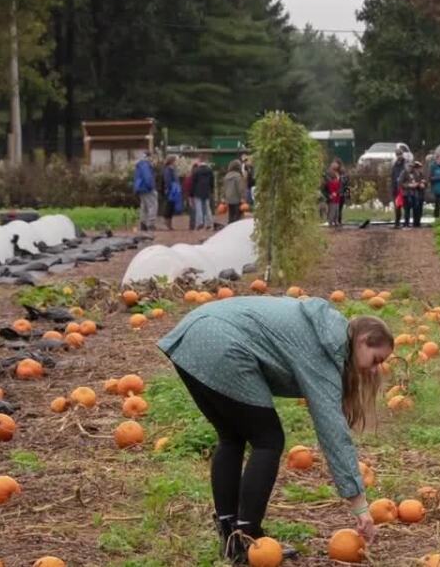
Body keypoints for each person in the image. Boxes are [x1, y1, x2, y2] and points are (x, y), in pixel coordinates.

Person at [156, 297, 390, 563]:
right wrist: (360, 506)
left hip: (193, 333)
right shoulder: (327, 346)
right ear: (364, 340)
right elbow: (333, 432)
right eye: (376, 359)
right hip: (221, 343)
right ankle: (248, 537)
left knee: (232, 436)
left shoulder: (324, 329)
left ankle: (230, 533)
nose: (374, 370)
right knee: (268, 439)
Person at [133, 152, 157, 231]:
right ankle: (151, 224)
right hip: (147, 188)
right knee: (152, 205)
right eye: (151, 157)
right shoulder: (145, 165)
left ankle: (143, 223)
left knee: (144, 207)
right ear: (148, 157)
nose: (152, 158)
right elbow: (147, 177)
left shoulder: (139, 165)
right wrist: (151, 186)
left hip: (140, 188)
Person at [399, 160, 426, 228]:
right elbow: (400, 183)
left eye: (411, 166)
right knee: (407, 209)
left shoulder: (415, 173)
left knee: (415, 208)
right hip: (406, 193)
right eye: (409, 166)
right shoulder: (403, 173)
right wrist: (409, 185)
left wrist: (419, 183)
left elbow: (418, 180)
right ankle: (406, 223)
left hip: (414, 193)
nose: (410, 168)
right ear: (406, 166)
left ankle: (415, 224)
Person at [192, 159, 216, 231]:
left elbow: (194, 182)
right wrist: (211, 190)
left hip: (198, 191)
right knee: (207, 207)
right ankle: (209, 223)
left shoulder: (196, 171)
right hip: (207, 191)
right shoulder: (209, 170)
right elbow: (212, 182)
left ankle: (200, 223)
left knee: (199, 207)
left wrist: (193, 192)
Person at [161, 156, 182, 230]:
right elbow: (167, 181)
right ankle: (167, 223)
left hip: (174, 190)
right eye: (175, 161)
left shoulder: (172, 169)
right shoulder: (168, 170)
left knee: (171, 207)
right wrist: (169, 188)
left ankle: (169, 224)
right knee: (168, 207)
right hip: (171, 191)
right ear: (172, 161)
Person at [222, 160, 245, 225]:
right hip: (237, 198)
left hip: (229, 198)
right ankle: (236, 228)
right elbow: (240, 188)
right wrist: (242, 197)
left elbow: (224, 188)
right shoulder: (238, 176)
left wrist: (223, 197)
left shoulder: (227, 176)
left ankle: (230, 226)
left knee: (231, 214)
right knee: (237, 216)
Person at [390, 147, 408, 229]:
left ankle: (406, 222)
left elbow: (407, 176)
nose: (399, 156)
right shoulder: (394, 165)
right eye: (397, 154)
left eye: (400, 154)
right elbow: (393, 177)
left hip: (404, 188)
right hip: (396, 189)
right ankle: (397, 223)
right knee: (397, 206)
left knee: (406, 206)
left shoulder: (406, 164)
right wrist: (393, 187)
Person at [336, 160, 351, 225]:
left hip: (340, 194)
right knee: (337, 208)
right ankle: (337, 220)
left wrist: (347, 194)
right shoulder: (335, 174)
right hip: (337, 194)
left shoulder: (343, 175)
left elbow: (346, 184)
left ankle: (339, 220)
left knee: (339, 208)